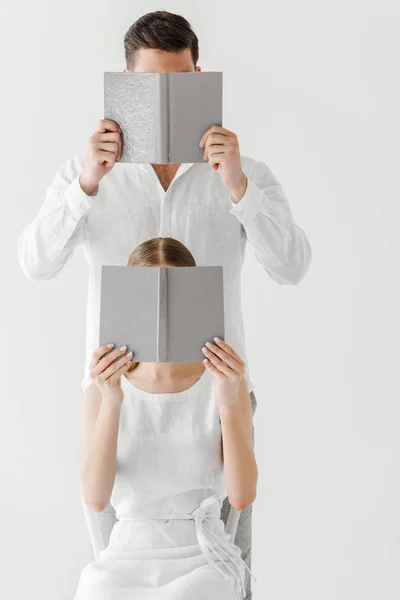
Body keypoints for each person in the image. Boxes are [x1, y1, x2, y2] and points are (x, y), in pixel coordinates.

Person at [16, 11, 312, 600]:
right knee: (115, 568)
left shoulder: (244, 174)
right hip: (114, 389)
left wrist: (237, 189)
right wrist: (87, 186)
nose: (166, 99)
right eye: (149, 85)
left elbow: (292, 266)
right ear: (126, 82)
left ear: (199, 76)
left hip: (217, 388)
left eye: (180, 82)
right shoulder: (85, 174)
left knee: (229, 568)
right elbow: (34, 262)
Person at [75, 236, 258, 600]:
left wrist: (225, 398)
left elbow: (241, 496)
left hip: (203, 557)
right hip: (127, 555)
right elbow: (95, 499)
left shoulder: (224, 383)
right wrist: (112, 400)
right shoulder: (103, 387)